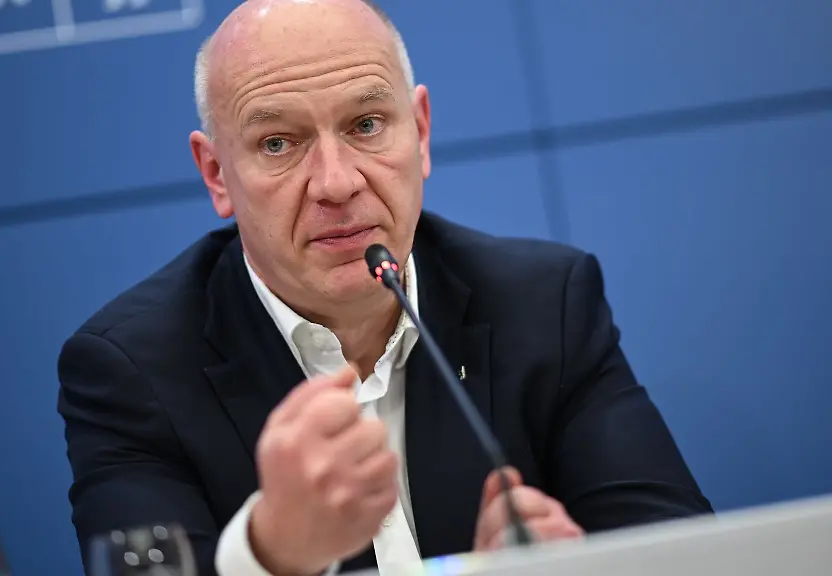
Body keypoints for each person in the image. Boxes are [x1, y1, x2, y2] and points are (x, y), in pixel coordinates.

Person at [56, 0, 713, 574]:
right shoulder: (132, 371)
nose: (337, 182)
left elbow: (690, 555)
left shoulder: (544, 306)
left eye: (366, 125)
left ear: (420, 132)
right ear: (216, 174)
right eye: (278, 143)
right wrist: (271, 553)